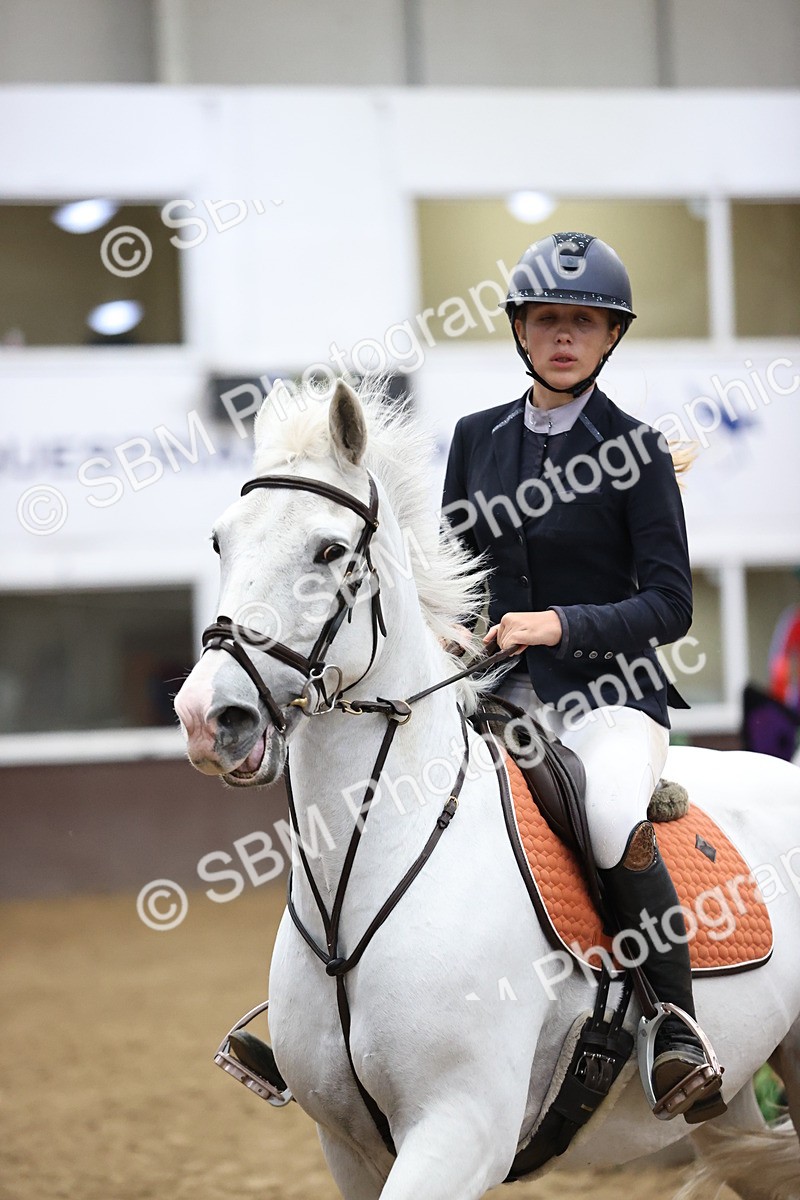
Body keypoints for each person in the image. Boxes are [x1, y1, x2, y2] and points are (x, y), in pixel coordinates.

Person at [442, 231, 724, 1123]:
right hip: (498, 692)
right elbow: (454, 569)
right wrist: (449, 626)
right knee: (387, 786)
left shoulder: (636, 449)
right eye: (549, 319)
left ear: (610, 339)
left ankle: (676, 1021)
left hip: (610, 698)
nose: (565, 336)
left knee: (607, 812)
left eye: (585, 323)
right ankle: (327, 1005)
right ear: (522, 331)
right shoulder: (473, 438)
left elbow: (670, 605)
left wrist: (559, 623)